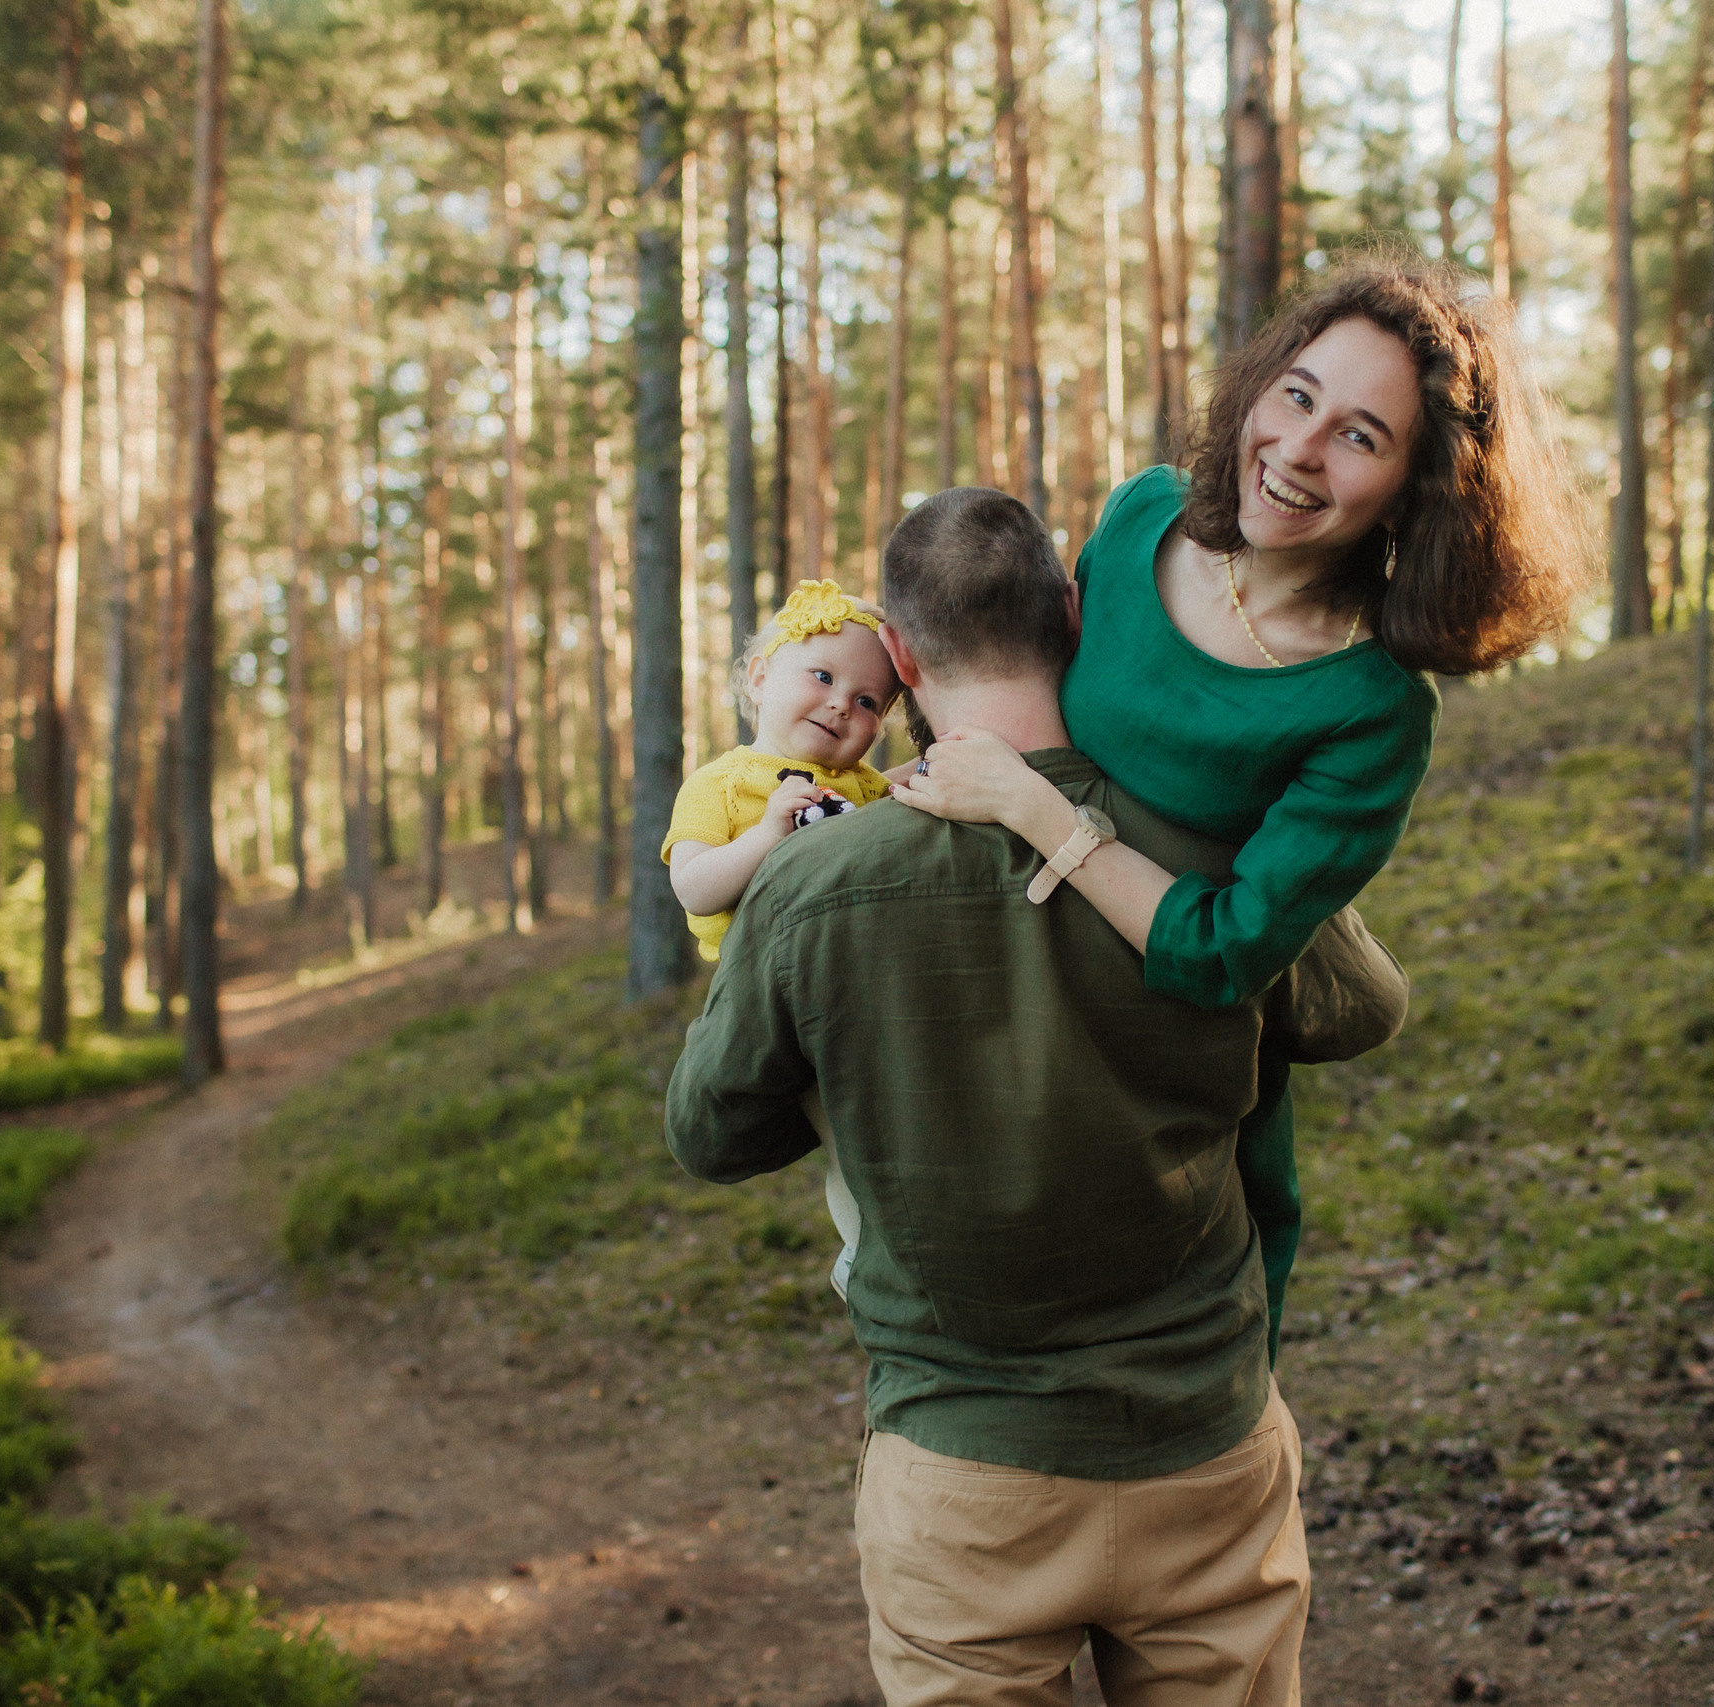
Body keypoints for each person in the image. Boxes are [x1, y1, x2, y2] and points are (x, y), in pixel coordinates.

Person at [665, 486, 1409, 1706]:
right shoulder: (1205, 850)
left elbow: (709, 1133)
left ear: (899, 662)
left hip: (962, 1474)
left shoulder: (808, 883)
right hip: (1201, 1454)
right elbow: (1362, 1010)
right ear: (1071, 612)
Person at [896, 255, 1590, 1358]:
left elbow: (1220, 954)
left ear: (1421, 489)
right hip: (1014, 1024)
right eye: (1299, 395)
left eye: (1360, 436)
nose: (1300, 451)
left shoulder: (1369, 708)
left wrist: (1034, 813)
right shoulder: (1138, 521)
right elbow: (1019, 705)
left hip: (1174, 1106)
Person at [662, 577, 902, 963]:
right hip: (760, 972)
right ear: (759, 679)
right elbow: (693, 890)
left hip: (852, 963)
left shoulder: (862, 783)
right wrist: (768, 834)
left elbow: (897, 791)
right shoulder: (718, 784)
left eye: (866, 701)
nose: (842, 705)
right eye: (823, 677)